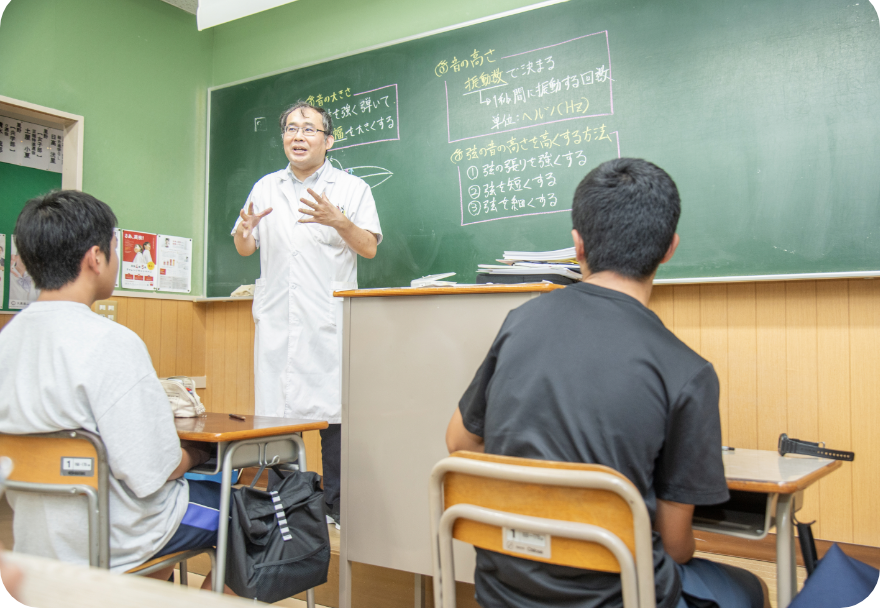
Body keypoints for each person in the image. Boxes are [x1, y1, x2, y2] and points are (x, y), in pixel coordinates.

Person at [446, 158, 770, 608]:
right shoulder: (688, 371)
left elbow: (459, 442)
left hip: (503, 590)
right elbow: (676, 547)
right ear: (669, 249)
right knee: (750, 589)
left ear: (577, 245)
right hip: (619, 596)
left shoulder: (521, 323)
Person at [0, 191, 229, 590]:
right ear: (95, 257)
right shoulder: (112, 342)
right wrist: (198, 453)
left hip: (37, 538)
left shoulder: (9, 338)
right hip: (118, 532)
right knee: (254, 516)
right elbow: (151, 475)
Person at [232, 101, 382, 527]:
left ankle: (336, 507)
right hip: (279, 318)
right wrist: (244, 232)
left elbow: (369, 247)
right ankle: (287, 507)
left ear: (328, 140)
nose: (298, 136)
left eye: (309, 129)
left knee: (334, 415)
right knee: (280, 414)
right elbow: (246, 247)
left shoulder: (352, 189)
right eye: (291, 129)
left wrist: (339, 221)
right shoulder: (265, 187)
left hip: (328, 321)